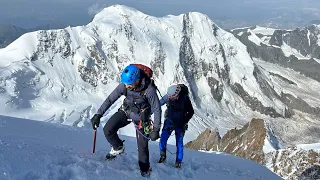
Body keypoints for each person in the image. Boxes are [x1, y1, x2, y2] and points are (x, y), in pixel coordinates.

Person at [90, 64, 161, 177]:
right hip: (126, 112)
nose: (126, 86)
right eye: (125, 83)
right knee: (108, 129)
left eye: (129, 84)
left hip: (141, 119)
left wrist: (156, 129)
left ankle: (145, 170)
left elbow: (157, 109)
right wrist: (98, 114)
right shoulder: (124, 86)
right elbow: (110, 99)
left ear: (137, 80)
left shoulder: (149, 90)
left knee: (142, 147)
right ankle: (118, 147)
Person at [158, 83, 194, 169]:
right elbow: (159, 103)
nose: (169, 98)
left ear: (177, 94)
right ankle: (163, 156)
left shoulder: (185, 98)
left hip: (180, 123)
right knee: (163, 138)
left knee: (179, 143)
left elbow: (191, 111)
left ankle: (178, 161)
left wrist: (184, 121)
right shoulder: (169, 95)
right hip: (170, 121)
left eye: (171, 97)